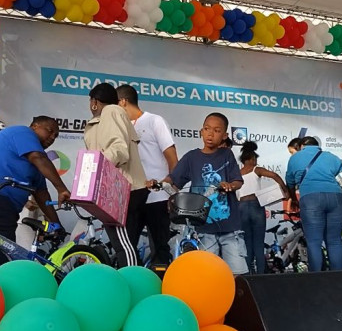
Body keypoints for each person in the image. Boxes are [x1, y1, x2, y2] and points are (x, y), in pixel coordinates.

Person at [155, 112, 247, 274]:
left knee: (237, 274)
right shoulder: (191, 157)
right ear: (201, 131)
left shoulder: (227, 155)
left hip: (230, 227)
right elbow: (173, 180)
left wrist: (230, 185)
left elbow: (238, 181)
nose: (210, 133)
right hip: (203, 228)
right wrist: (159, 183)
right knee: (209, 273)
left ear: (225, 135)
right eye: (207, 129)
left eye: (217, 130)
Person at [0, 116, 71, 242]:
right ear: (34, 126)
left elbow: (41, 194)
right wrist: (61, 189)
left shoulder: (36, 165)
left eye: (56, 135)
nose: (53, 137)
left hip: (1, 207)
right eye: (50, 131)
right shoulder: (23, 133)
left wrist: (57, 226)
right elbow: (38, 157)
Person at [84, 83, 149, 267]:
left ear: (95, 102)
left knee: (123, 243)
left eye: (90, 101)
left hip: (123, 188)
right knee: (123, 243)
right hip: (117, 188)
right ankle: (131, 279)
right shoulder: (102, 119)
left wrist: (95, 170)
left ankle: (130, 283)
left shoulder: (112, 111)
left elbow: (119, 150)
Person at [116, 84, 178, 266]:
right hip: (133, 197)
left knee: (160, 249)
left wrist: (171, 190)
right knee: (127, 247)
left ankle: (161, 290)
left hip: (157, 198)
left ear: (123, 102)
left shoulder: (154, 121)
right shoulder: (122, 128)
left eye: (115, 106)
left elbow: (172, 158)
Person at [285, 136, 342, 272]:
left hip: (311, 198)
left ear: (302, 146)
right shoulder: (331, 156)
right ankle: (339, 280)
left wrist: (293, 199)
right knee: (335, 240)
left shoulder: (295, 158)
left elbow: (289, 182)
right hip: (336, 198)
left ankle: (316, 279)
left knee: (314, 242)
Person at [237, 141, 288, 274]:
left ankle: (247, 275)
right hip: (256, 205)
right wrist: (285, 190)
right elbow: (275, 175)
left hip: (241, 207)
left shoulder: (238, 173)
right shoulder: (256, 170)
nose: (256, 161)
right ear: (252, 158)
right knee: (258, 244)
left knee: (247, 244)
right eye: (255, 159)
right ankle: (260, 275)